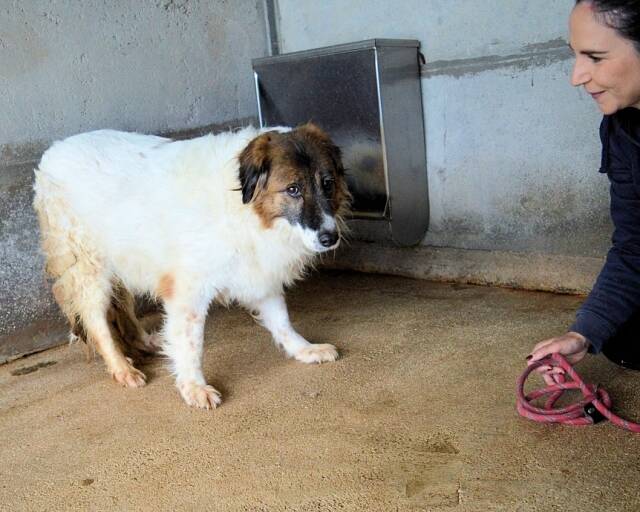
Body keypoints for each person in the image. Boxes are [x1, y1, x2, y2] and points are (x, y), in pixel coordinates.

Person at [527, 0, 640, 384]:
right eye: (575, 55)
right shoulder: (621, 128)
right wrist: (582, 333)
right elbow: (634, 245)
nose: (577, 77)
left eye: (595, 57)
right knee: (622, 338)